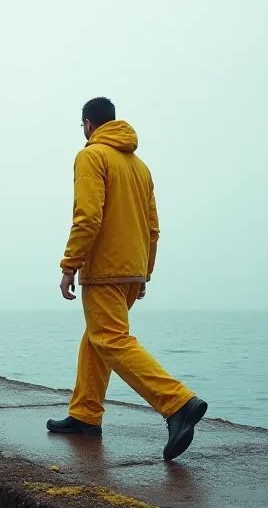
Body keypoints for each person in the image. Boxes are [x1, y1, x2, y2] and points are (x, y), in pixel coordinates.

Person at [47, 97, 207, 462]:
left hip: (104, 269)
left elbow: (87, 215)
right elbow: (153, 227)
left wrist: (69, 264)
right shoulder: (140, 167)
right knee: (97, 338)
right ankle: (85, 414)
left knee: (110, 338)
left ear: (89, 125)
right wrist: (145, 271)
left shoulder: (92, 156)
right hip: (131, 271)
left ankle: (177, 403)